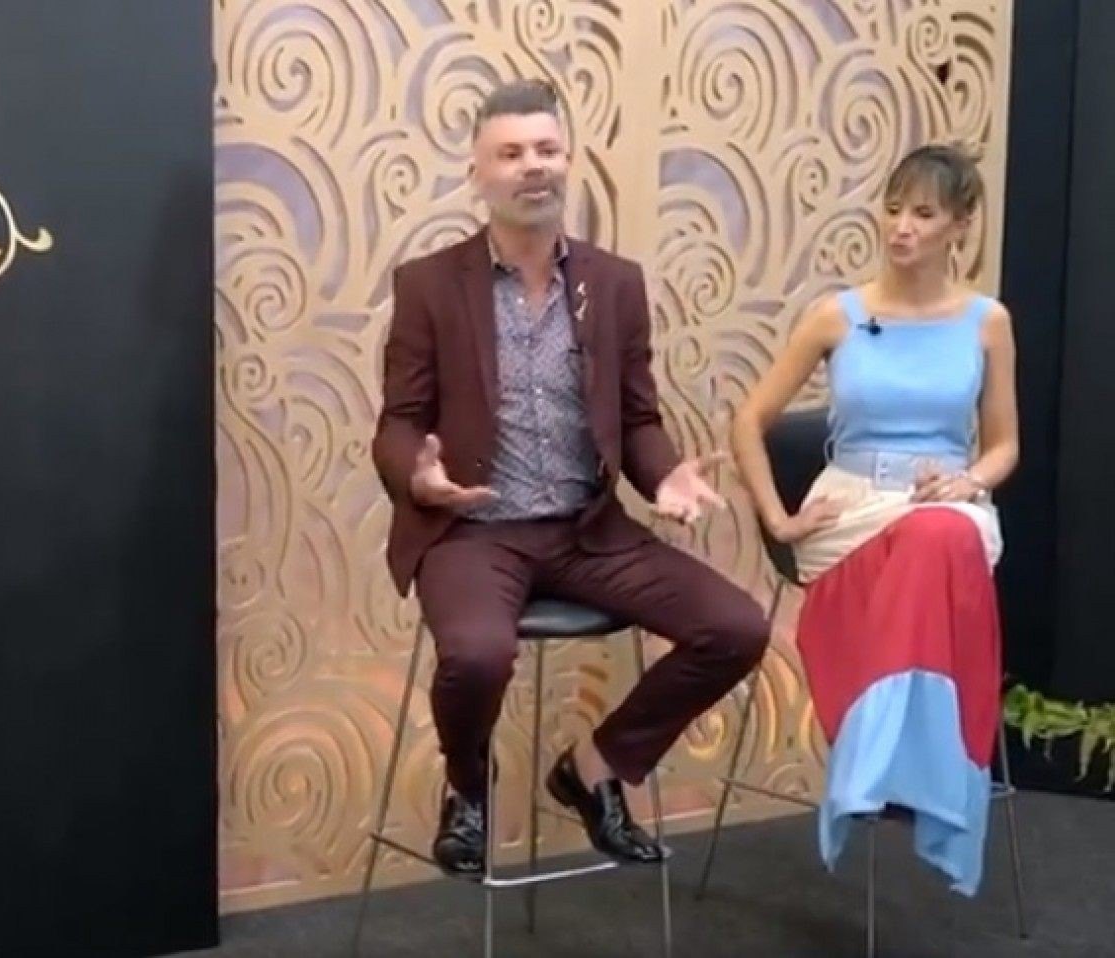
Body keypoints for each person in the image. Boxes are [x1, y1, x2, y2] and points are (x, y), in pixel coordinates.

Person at [373, 79, 770, 879]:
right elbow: (400, 421)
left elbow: (638, 417)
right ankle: (468, 788)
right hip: (474, 531)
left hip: (587, 530)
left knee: (737, 627)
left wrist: (664, 478)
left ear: (569, 162)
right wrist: (419, 476)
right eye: (511, 153)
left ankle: (594, 768)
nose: (532, 165)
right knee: (477, 656)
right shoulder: (429, 284)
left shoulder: (614, 283)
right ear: (478, 174)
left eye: (546, 149)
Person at [729, 143, 1017, 896]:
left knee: (939, 533)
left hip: (943, 504)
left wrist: (968, 480)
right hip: (851, 510)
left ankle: (870, 765)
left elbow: (1004, 445)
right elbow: (749, 420)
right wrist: (777, 518)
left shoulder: (987, 322)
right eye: (892, 209)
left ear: (960, 224)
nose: (901, 227)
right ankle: (926, 781)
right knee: (935, 545)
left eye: (922, 213)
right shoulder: (838, 315)